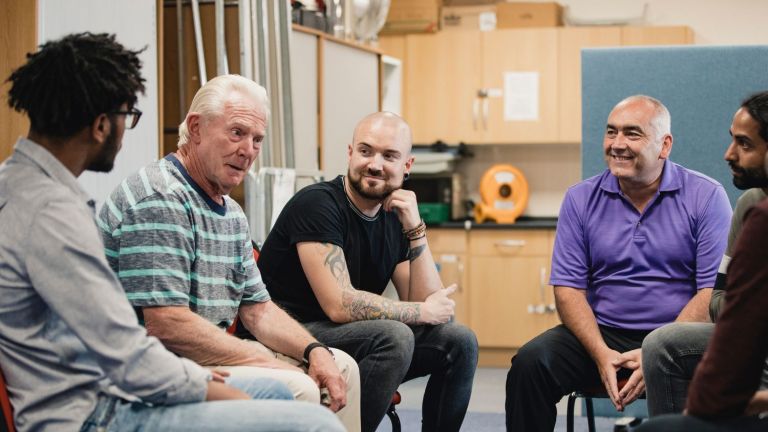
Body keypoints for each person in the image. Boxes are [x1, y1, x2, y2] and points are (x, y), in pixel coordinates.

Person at [0, 32, 344, 432]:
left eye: (256, 139)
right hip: (94, 412)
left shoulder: (18, 186)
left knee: (283, 395)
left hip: (105, 390)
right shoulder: (53, 213)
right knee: (314, 425)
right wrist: (214, 389)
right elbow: (129, 352)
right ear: (100, 125)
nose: (248, 149)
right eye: (128, 117)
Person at [97, 74, 361, 431]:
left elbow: (259, 309)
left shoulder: (231, 212)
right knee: (299, 387)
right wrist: (265, 361)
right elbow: (167, 325)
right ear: (197, 128)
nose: (248, 150)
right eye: (236, 133)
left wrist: (314, 351)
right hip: (161, 366)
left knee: (341, 367)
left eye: (257, 139)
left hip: (205, 354)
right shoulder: (161, 199)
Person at [504, 95, 732, 432]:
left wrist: (655, 349)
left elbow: (710, 291)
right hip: (604, 333)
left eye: (632, 134)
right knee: (530, 364)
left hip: (679, 334)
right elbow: (568, 288)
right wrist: (600, 353)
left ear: (664, 145)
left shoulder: (706, 197)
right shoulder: (580, 198)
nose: (617, 144)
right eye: (611, 133)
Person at [257, 111, 479, 432]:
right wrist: (422, 310)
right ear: (350, 154)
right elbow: (339, 304)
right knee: (394, 337)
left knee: (459, 340)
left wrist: (415, 228)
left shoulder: (394, 215)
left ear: (407, 166)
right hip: (290, 333)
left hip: (346, 335)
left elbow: (430, 305)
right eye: (366, 151)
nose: (375, 164)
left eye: (389, 156)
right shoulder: (318, 204)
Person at [642, 91, 768, 416]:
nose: (729, 154)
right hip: (748, 330)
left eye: (745, 144)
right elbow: (719, 296)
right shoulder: (750, 206)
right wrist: (749, 309)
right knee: (662, 344)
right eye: (732, 140)